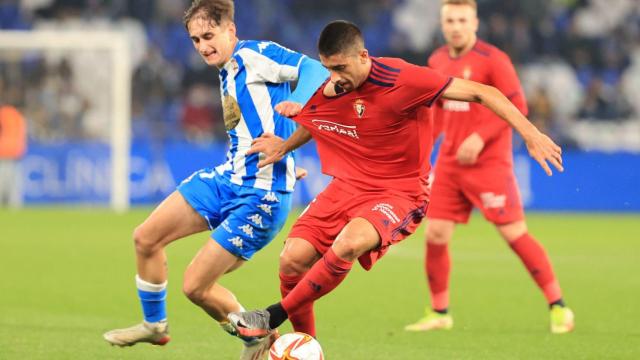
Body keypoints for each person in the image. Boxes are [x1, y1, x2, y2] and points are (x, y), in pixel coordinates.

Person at [226, 20, 564, 339]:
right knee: (292, 258)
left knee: (349, 243)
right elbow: (317, 121)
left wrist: (531, 134)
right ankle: (306, 347)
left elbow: (484, 92)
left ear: (363, 56)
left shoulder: (404, 79)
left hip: (399, 192)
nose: (334, 76)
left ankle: (273, 316)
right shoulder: (334, 86)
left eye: (340, 68)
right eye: (328, 68)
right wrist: (284, 146)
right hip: (347, 185)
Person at [102, 0, 328, 358]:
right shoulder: (227, 68)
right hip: (228, 177)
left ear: (231, 31)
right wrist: (288, 156)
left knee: (195, 287)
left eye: (209, 35)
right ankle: (155, 325)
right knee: (146, 238)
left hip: (261, 196)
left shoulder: (256, 54)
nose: (202, 45)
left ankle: (259, 337)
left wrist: (298, 108)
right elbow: (262, 122)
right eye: (195, 39)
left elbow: (315, 70)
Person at [404, 0, 574, 334]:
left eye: (462, 20)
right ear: (442, 24)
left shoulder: (494, 60)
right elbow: (436, 109)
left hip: (490, 164)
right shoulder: (436, 60)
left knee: (514, 234)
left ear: (475, 23)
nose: (456, 26)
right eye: (450, 20)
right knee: (435, 234)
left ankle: (558, 306)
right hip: (451, 164)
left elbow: (518, 105)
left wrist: (480, 137)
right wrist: (427, 147)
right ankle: (440, 311)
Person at [0, 104, 27, 208]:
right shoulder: (18, 117)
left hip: (11, 158)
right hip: (9, 158)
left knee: (12, 191)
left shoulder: (8, 115)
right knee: (13, 192)